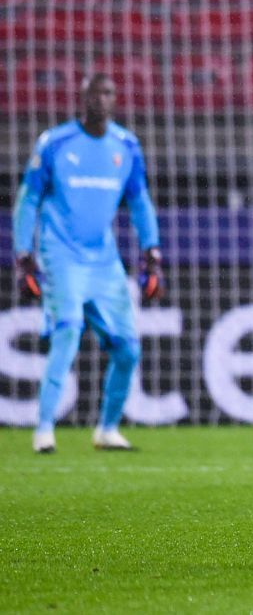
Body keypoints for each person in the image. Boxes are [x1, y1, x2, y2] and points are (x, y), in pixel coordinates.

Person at [13, 73, 163, 454]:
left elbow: (140, 201)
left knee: (129, 348)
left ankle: (107, 430)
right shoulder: (56, 143)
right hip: (61, 255)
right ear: (82, 99)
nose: (101, 99)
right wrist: (23, 255)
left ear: (115, 100)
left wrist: (152, 251)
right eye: (94, 93)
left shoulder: (125, 146)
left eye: (108, 92)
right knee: (67, 331)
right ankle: (44, 430)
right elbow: (28, 199)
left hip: (104, 261)